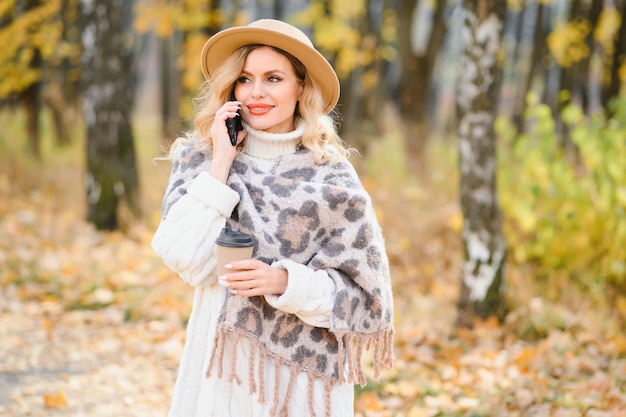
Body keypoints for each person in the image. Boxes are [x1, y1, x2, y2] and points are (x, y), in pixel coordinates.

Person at [151, 19, 394, 417]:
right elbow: (183, 258)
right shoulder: (203, 159)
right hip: (222, 374)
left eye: (274, 78)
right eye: (245, 80)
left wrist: (286, 281)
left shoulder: (331, 176)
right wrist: (222, 161)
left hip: (303, 384)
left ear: (301, 87)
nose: (256, 93)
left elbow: (364, 300)